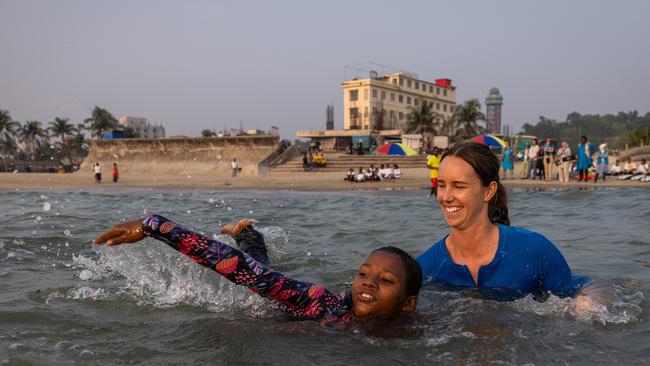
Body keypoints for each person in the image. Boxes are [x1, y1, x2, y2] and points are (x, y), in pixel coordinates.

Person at [92, 216, 421, 322]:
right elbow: (238, 269)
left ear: (409, 304)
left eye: (387, 280)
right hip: (279, 304)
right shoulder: (324, 304)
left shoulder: (417, 325)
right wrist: (156, 226)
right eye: (363, 274)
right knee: (256, 273)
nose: (369, 283)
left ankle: (246, 233)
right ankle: (245, 233)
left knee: (260, 268)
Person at [416, 142, 589, 301]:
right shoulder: (424, 268)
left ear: (489, 191)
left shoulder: (533, 250)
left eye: (459, 186)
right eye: (441, 185)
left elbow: (583, 289)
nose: (446, 197)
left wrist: (588, 303)